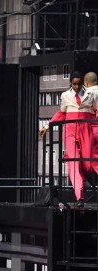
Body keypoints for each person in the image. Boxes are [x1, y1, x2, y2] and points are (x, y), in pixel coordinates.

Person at [40, 71, 96, 207]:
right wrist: (47, 125)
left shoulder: (91, 95)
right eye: (74, 84)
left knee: (87, 164)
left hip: (85, 129)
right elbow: (61, 113)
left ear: (82, 83)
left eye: (79, 84)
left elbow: (96, 112)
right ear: (70, 83)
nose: (77, 86)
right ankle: (80, 196)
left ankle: (82, 181)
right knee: (74, 164)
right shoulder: (65, 95)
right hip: (70, 131)